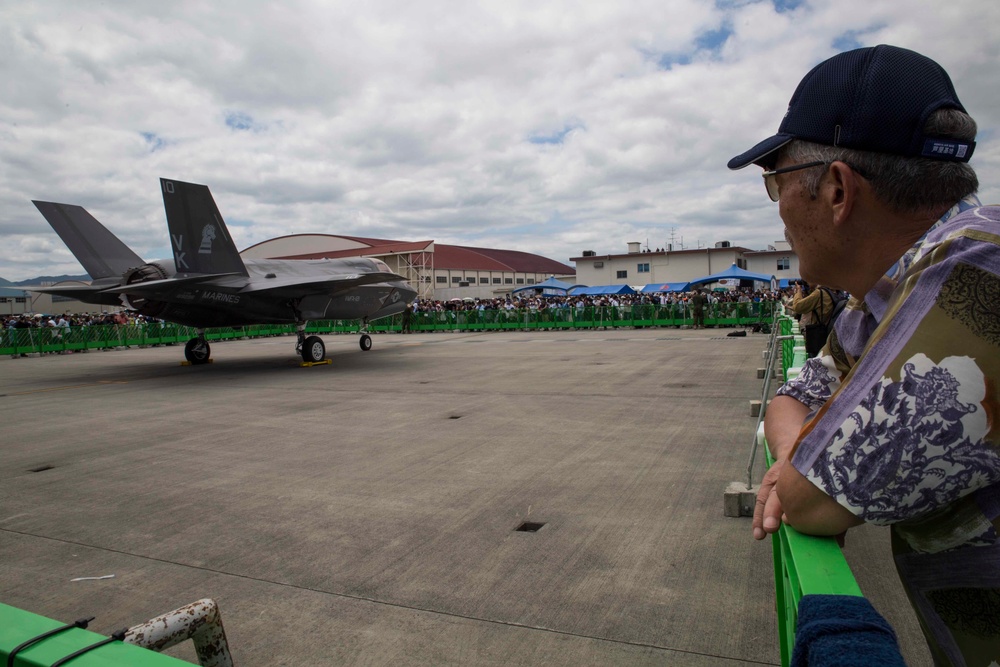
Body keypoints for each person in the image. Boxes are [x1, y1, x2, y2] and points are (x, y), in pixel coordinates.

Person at [729, 44, 999, 664]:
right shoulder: (884, 293)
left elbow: (810, 500)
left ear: (837, 190)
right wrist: (805, 453)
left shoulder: (982, 268)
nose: (781, 211)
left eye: (778, 184)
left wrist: (801, 467)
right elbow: (794, 397)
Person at [788, 282, 834, 357]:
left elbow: (797, 307)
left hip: (819, 337)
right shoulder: (830, 291)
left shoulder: (819, 293)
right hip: (827, 334)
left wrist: (798, 291)